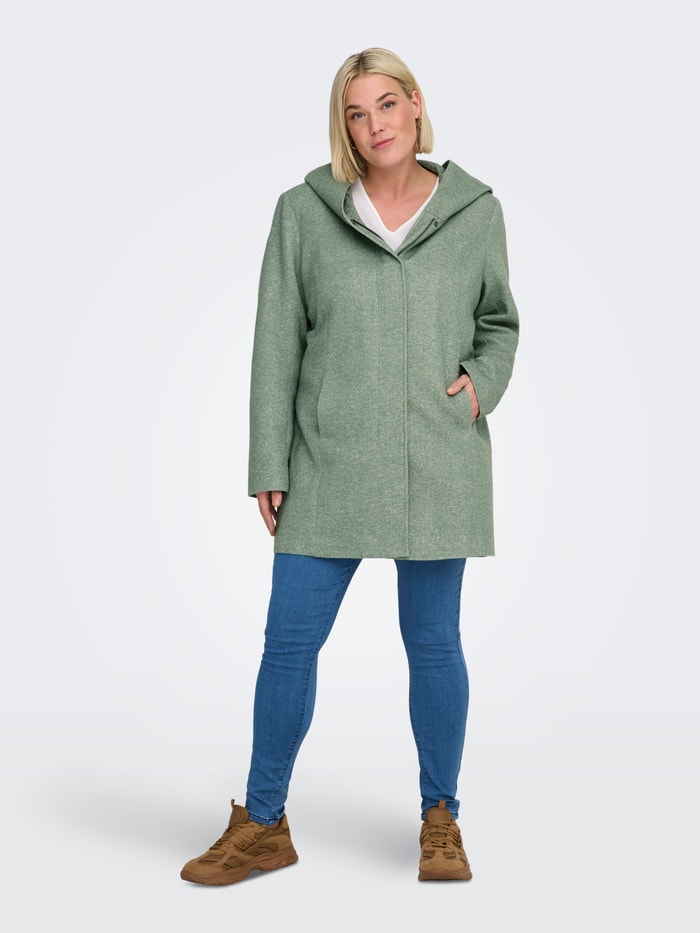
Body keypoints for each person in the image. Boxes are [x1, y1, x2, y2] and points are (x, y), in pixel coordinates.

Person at [181, 47, 519, 886]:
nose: (375, 126)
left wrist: (478, 388)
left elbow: (499, 323)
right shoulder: (303, 212)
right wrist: (268, 459)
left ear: (416, 105)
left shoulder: (476, 211)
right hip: (326, 458)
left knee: (433, 644)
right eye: (356, 114)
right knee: (288, 643)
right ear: (345, 127)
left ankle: (441, 819)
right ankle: (264, 823)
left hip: (436, 456)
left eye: (386, 105)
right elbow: (276, 341)